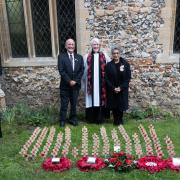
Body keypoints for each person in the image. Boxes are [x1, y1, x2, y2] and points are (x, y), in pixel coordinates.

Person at [82, 38, 110, 124]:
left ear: (99, 45)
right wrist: (84, 82)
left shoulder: (104, 56)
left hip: (102, 83)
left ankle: (100, 118)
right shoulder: (86, 56)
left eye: (97, 44)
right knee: (91, 99)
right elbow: (84, 70)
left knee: (100, 99)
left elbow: (109, 67)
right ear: (91, 46)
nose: (96, 46)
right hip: (90, 83)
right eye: (94, 44)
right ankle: (91, 118)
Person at [58, 39, 84, 127]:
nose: (71, 46)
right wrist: (69, 81)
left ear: (74, 46)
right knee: (64, 104)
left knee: (73, 103)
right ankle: (62, 120)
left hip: (75, 85)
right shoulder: (61, 57)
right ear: (65, 46)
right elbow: (61, 71)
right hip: (65, 85)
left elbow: (81, 70)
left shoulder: (79, 57)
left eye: (72, 44)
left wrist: (75, 81)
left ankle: (73, 119)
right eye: (69, 44)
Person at [105, 47, 131, 125]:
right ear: (112, 55)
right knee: (114, 105)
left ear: (119, 54)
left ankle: (120, 119)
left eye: (117, 53)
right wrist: (113, 88)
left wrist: (121, 87)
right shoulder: (109, 65)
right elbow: (106, 78)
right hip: (112, 89)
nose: (115, 55)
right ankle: (115, 120)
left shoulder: (125, 64)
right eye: (114, 53)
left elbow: (128, 77)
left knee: (121, 105)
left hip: (122, 88)